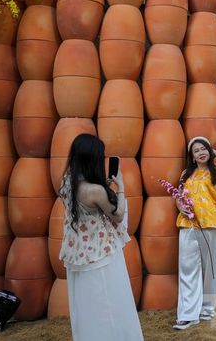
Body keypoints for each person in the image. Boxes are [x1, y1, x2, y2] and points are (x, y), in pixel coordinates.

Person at [58, 134, 143, 341]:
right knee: (111, 303)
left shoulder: (66, 182)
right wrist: (120, 187)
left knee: (87, 307)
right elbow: (118, 215)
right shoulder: (94, 191)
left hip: (77, 252)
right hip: (100, 253)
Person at [174, 136, 216, 329]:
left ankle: (207, 310)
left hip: (212, 224)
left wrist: (208, 149)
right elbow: (179, 196)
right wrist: (180, 206)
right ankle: (187, 314)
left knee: (211, 270)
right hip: (188, 224)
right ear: (191, 156)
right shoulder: (186, 174)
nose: (201, 153)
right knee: (187, 268)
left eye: (203, 149)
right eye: (196, 151)